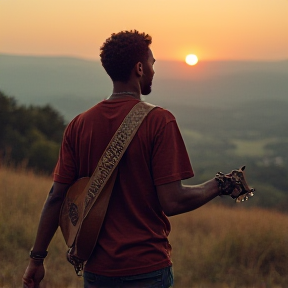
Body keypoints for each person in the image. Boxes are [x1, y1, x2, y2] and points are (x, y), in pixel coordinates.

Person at [22, 30, 252, 288]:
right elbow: (172, 201)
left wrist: (36, 260)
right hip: (147, 268)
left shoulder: (79, 125)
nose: (154, 69)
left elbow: (56, 196)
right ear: (140, 68)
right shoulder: (159, 121)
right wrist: (219, 185)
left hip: (97, 270)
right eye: (152, 63)